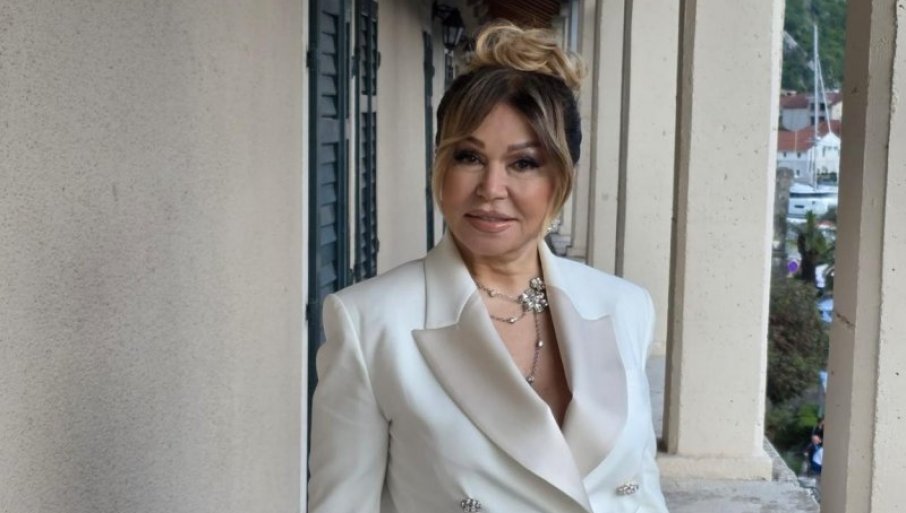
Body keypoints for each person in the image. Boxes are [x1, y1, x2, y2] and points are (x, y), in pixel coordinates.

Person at [308, 21, 669, 513]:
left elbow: (641, 490)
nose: (491, 189)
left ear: (562, 178)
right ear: (440, 165)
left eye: (523, 163)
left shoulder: (625, 307)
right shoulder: (369, 323)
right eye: (469, 157)